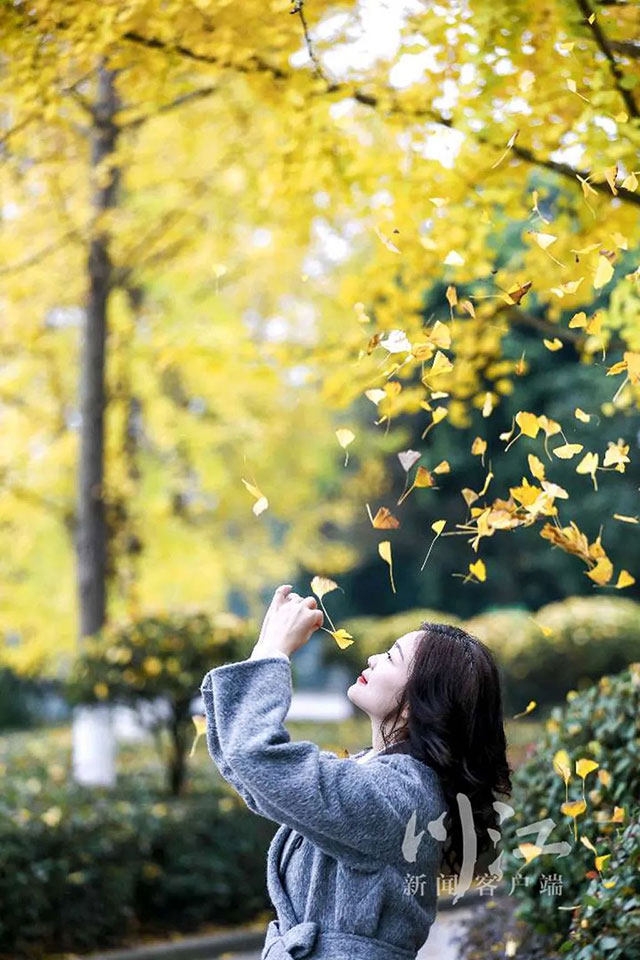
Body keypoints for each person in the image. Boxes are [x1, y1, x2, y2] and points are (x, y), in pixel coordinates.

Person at [200, 585, 513, 959]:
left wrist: (272, 653)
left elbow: (259, 758)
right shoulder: (374, 772)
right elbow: (254, 775)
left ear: (419, 703)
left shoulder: (404, 795)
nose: (372, 657)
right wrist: (263, 652)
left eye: (391, 656)